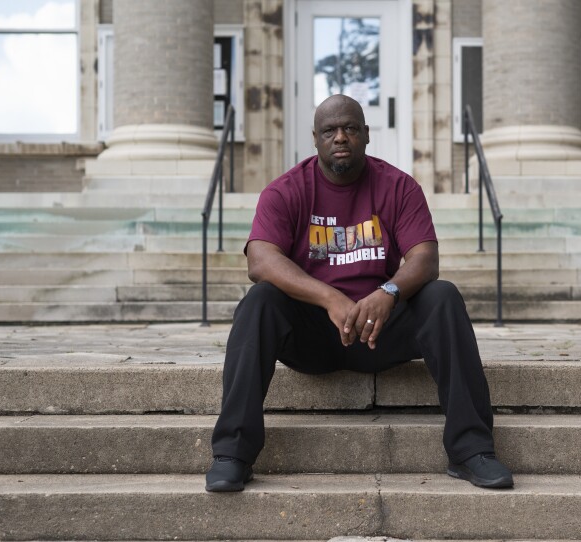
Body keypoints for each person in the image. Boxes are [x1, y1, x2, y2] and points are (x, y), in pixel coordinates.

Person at [205, 94, 513, 491]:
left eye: (350, 128)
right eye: (330, 130)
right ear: (315, 138)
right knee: (259, 303)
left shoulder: (398, 186)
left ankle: (472, 450)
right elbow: (260, 261)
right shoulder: (286, 191)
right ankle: (232, 454)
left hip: (377, 330)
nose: (340, 137)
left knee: (443, 296)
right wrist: (330, 298)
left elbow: (425, 259)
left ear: (366, 135)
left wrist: (387, 292)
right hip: (313, 333)